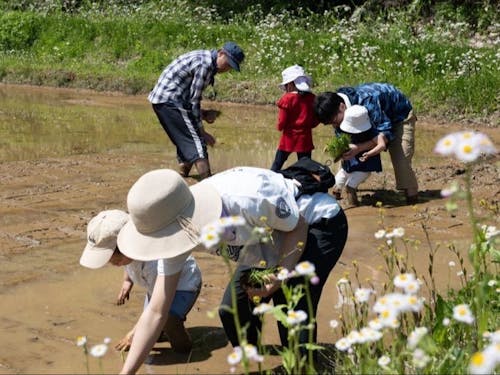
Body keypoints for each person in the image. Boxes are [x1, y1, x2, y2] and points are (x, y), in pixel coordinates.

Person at [79, 210, 202, 355]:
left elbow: (157, 306)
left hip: (183, 285)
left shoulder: (155, 263)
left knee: (168, 319)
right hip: (156, 287)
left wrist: (132, 334)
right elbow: (128, 265)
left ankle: (184, 350)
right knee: (150, 328)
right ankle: (160, 332)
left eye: (116, 260)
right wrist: (127, 281)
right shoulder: (130, 253)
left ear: (127, 246)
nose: (113, 263)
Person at [148, 41, 245, 180]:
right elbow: (194, 101)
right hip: (169, 99)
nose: (227, 69)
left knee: (186, 136)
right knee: (197, 142)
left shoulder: (206, 60)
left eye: (231, 67)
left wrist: (203, 114)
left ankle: (183, 174)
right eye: (227, 63)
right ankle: (208, 182)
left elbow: (190, 100)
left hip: (165, 99)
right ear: (221, 53)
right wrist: (203, 132)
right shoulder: (204, 65)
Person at [314, 83, 419, 204]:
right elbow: (343, 137)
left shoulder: (368, 101)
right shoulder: (333, 108)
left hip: (399, 116)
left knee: (402, 161)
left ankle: (413, 202)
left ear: (342, 107)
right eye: (330, 124)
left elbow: (384, 135)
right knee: (347, 156)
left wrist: (359, 148)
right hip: (375, 120)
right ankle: (344, 191)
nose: (334, 126)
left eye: (335, 122)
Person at [332, 105, 385, 207]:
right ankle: (333, 202)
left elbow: (382, 144)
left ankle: (353, 205)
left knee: (350, 186)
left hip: (364, 166)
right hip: (349, 165)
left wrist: (370, 153)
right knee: (337, 182)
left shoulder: (371, 131)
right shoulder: (344, 129)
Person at [270, 65, 320, 171]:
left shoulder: (287, 99)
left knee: (277, 163)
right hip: (305, 138)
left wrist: (279, 127)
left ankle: (270, 179)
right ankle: (306, 184)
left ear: (290, 84)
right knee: (306, 166)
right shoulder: (312, 98)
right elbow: (315, 120)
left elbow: (282, 121)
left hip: (289, 137)